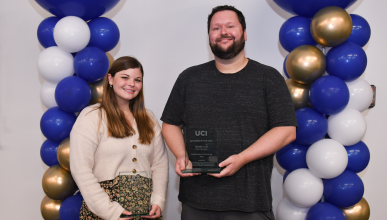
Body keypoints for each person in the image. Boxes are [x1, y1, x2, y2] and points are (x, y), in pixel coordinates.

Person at [161, 5, 297, 220]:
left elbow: (287, 130)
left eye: (230, 26)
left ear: (244, 33)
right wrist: (181, 155)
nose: (223, 32)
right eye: (216, 28)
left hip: (249, 203)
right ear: (209, 37)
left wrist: (242, 158)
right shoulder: (189, 78)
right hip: (196, 202)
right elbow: (169, 123)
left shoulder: (268, 78)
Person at [70, 56, 169, 220]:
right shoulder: (91, 117)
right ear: (110, 79)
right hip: (103, 210)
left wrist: (158, 199)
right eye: (125, 77)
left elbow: (160, 163)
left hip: (145, 211)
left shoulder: (149, 118)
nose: (131, 83)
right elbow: (80, 169)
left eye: (137, 79)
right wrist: (110, 211)